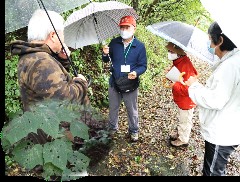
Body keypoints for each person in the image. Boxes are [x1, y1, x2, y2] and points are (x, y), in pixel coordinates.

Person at [185, 22, 240, 176]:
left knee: (212, 172)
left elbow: (215, 100)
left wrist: (194, 86)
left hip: (222, 133)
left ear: (220, 40)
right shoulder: (235, 60)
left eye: (211, 40)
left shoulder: (230, 66)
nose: (209, 44)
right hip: (229, 127)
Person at [10, 9, 89, 112]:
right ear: (52, 36)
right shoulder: (41, 62)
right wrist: (81, 83)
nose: (63, 38)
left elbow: (52, 83)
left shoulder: (32, 56)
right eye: (62, 34)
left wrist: (62, 58)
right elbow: (64, 101)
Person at [102, 16, 147, 142]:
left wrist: (136, 72)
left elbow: (143, 65)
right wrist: (105, 54)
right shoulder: (114, 43)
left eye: (127, 27)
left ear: (134, 28)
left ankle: (134, 130)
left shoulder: (139, 46)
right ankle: (112, 128)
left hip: (130, 83)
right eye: (122, 27)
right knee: (113, 107)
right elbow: (106, 60)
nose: (124, 29)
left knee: (131, 109)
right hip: (115, 81)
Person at [164, 42, 198, 147]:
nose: (169, 53)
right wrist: (169, 74)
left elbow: (188, 87)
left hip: (187, 100)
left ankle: (183, 139)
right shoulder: (179, 61)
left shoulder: (186, 65)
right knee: (182, 118)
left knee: (185, 120)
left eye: (171, 51)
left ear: (178, 53)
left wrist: (174, 85)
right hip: (181, 99)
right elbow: (178, 76)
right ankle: (180, 133)